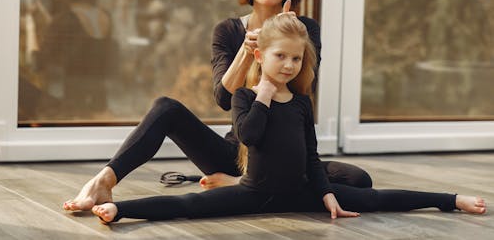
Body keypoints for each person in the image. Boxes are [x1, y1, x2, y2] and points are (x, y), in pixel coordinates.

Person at [63, 0, 371, 212]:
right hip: (238, 150)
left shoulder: (305, 28)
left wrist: (283, 42)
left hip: (288, 154)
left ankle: (240, 185)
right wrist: (247, 52)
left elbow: (305, 88)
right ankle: (104, 180)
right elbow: (223, 100)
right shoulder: (228, 30)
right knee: (166, 108)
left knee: (358, 180)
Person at [91, 14, 486, 223]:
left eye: (296, 59)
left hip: (302, 191)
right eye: (281, 56)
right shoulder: (245, 96)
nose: (290, 65)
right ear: (262, 57)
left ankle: (452, 200)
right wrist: (261, 95)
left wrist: (327, 193)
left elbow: (312, 158)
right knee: (191, 205)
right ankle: (121, 208)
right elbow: (250, 134)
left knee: (374, 198)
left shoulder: (300, 104)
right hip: (252, 192)